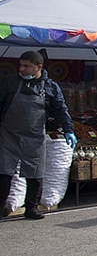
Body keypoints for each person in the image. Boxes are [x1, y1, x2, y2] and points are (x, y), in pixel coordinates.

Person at [0, 50, 77, 219]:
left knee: (34, 173)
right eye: (20, 65)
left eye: (27, 66)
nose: (22, 69)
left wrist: (68, 130)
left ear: (38, 67)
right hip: (8, 135)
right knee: (4, 172)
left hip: (34, 137)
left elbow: (61, 109)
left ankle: (32, 208)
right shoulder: (10, 83)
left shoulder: (50, 87)